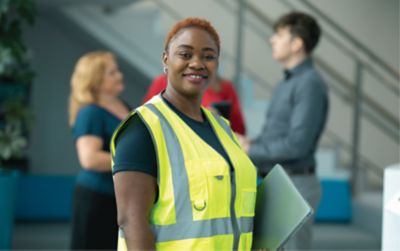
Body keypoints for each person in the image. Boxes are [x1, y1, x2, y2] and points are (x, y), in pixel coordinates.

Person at [111, 18, 257, 250]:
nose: (197, 63)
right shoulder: (143, 128)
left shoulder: (223, 128)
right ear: (166, 59)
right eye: (185, 54)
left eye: (208, 56)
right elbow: (131, 221)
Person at [237, 12, 329, 250]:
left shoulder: (309, 83)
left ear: (297, 44)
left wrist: (251, 149)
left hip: (296, 183)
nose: (271, 40)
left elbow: (297, 144)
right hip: (280, 180)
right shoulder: (287, 83)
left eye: (279, 35)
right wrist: (250, 142)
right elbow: (276, 135)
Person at [68, 51, 130, 250]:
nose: (119, 75)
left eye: (117, 71)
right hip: (97, 198)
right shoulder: (90, 112)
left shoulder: (123, 105)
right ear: (95, 80)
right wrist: (134, 162)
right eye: (112, 73)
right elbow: (90, 159)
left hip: (120, 198)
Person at [143, 73, 247, 135]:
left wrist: (216, 120)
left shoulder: (224, 87)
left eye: (208, 56)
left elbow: (239, 130)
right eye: (186, 54)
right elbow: (146, 123)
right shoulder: (163, 82)